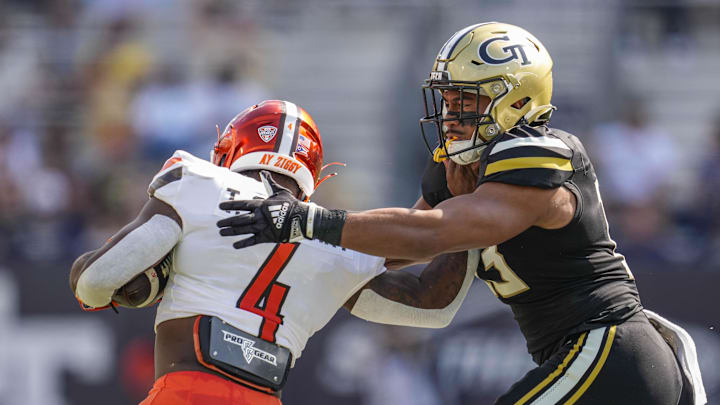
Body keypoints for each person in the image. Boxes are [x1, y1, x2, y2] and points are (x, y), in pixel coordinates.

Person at [216, 23, 707, 404]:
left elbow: (437, 232)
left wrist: (307, 220)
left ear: (517, 98)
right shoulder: (463, 168)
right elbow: (425, 288)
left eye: (466, 99)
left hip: (610, 351)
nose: (451, 113)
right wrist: (302, 261)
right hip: (583, 358)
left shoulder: (540, 151)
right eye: (447, 98)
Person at [69, 100, 479, 405]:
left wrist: (143, 276)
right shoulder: (341, 238)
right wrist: (470, 211)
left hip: (183, 394)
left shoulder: (195, 179)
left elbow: (96, 280)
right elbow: (432, 304)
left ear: (229, 149)